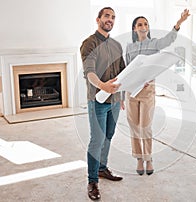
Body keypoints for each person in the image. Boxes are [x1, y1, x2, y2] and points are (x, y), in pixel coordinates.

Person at [125, 9, 190, 175]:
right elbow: (125, 72)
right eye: (140, 24)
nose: (143, 26)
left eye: (145, 24)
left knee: (145, 127)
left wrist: (178, 23)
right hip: (131, 92)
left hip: (147, 91)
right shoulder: (129, 47)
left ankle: (148, 158)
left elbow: (168, 40)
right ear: (134, 28)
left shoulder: (154, 44)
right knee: (134, 127)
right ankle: (139, 158)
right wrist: (120, 97)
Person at [80, 7, 125, 200]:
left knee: (108, 136)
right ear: (98, 19)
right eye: (107, 16)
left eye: (113, 17)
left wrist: (123, 94)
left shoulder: (116, 45)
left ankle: (102, 168)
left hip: (114, 101)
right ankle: (92, 181)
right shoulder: (88, 43)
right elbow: (89, 72)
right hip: (98, 101)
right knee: (96, 140)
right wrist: (101, 86)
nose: (110, 20)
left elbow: (123, 72)